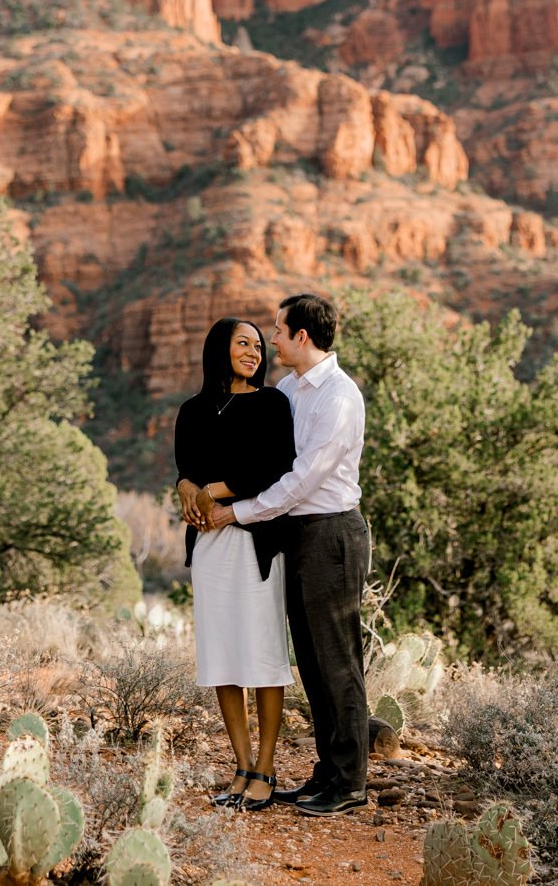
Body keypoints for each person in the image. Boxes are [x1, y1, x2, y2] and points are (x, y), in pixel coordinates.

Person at [204, 292, 370, 817]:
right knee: (313, 661)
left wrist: (236, 512)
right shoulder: (290, 391)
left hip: (330, 533)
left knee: (338, 661)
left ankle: (349, 782)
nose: (270, 339)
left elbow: (300, 481)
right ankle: (327, 772)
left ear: (302, 336)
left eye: (277, 330)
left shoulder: (339, 398)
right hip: (295, 535)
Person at [175, 317, 296, 811]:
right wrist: (185, 486)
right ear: (219, 349)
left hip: (254, 542)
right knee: (223, 656)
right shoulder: (193, 409)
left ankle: (267, 769)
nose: (254, 352)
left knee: (263, 656)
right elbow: (186, 467)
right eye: (242, 343)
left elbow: (276, 468)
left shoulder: (271, 403)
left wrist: (213, 489)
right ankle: (242, 766)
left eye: (259, 345)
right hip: (208, 547)